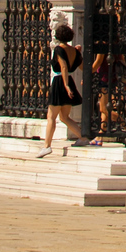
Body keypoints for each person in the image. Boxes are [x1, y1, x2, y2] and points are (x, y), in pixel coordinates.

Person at [38, 24, 88, 156]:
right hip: (68, 81)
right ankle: (82, 137)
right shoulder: (75, 51)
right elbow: (82, 67)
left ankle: (47, 145)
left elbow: (64, 67)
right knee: (64, 117)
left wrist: (65, 85)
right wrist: (79, 53)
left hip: (60, 82)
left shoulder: (59, 50)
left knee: (51, 116)